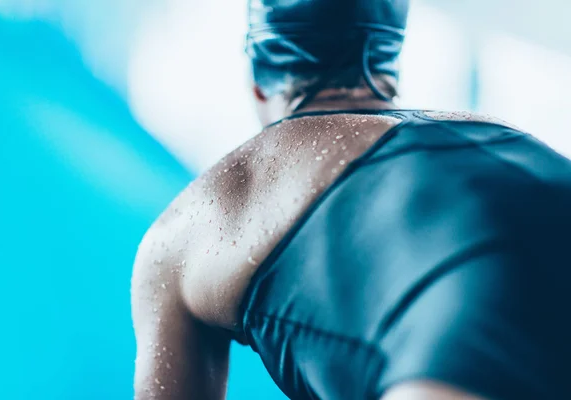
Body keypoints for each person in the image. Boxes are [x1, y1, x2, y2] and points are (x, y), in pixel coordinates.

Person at [131, 0, 571, 399]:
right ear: (390, 69)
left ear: (258, 85)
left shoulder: (205, 211)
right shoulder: (496, 131)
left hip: (458, 331)